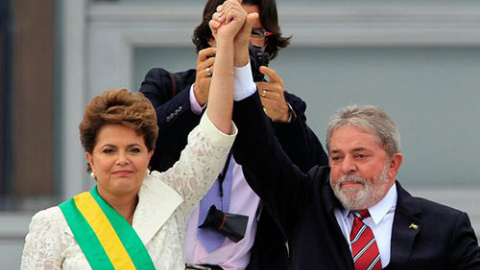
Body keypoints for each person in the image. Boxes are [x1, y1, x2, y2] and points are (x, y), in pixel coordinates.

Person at [20, 3, 247, 268]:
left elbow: (213, 138)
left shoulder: (172, 200)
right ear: (90, 159)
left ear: (149, 154)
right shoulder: (55, 224)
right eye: (109, 150)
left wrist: (226, 43)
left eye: (134, 149)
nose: (122, 159)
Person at [139, 0, 328, 269]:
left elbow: (316, 183)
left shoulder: (283, 106)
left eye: (253, 31)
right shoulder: (167, 86)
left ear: (268, 44)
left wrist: (286, 120)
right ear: (209, 35)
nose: (241, 40)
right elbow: (138, 147)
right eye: (232, 27)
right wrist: (193, 98)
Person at [229, 77, 480, 269]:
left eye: (360, 156)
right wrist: (239, 69)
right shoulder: (305, 206)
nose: (347, 166)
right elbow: (256, 151)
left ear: (393, 164)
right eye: (337, 157)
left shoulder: (446, 227)